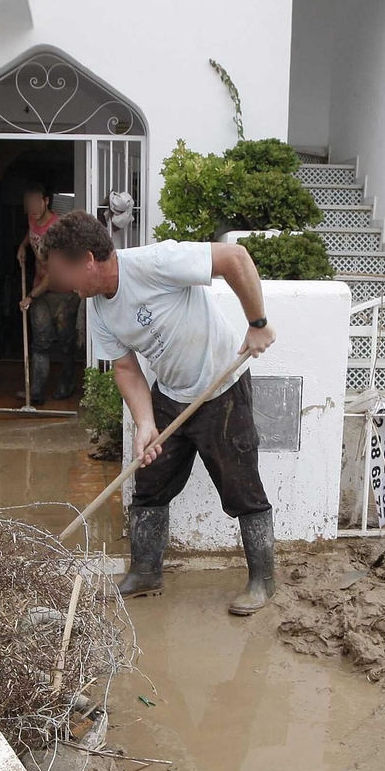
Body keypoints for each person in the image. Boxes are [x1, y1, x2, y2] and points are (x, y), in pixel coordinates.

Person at [41, 210, 277, 616]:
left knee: (241, 488)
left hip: (220, 388)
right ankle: (146, 572)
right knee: (149, 483)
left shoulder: (154, 263)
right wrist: (145, 423)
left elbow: (235, 258)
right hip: (168, 394)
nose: (61, 283)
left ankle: (263, 581)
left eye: (63, 272)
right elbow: (126, 367)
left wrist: (257, 323)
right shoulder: (97, 308)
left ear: (88, 261)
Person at [15, 183, 82, 403]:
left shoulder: (57, 230)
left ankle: (67, 385)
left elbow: (53, 273)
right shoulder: (33, 218)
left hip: (64, 293)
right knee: (40, 343)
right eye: (29, 204)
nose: (32, 208)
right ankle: (36, 394)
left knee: (65, 342)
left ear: (46, 202)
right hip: (41, 292)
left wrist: (30, 296)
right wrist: (23, 246)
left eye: (36, 203)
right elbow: (31, 233)